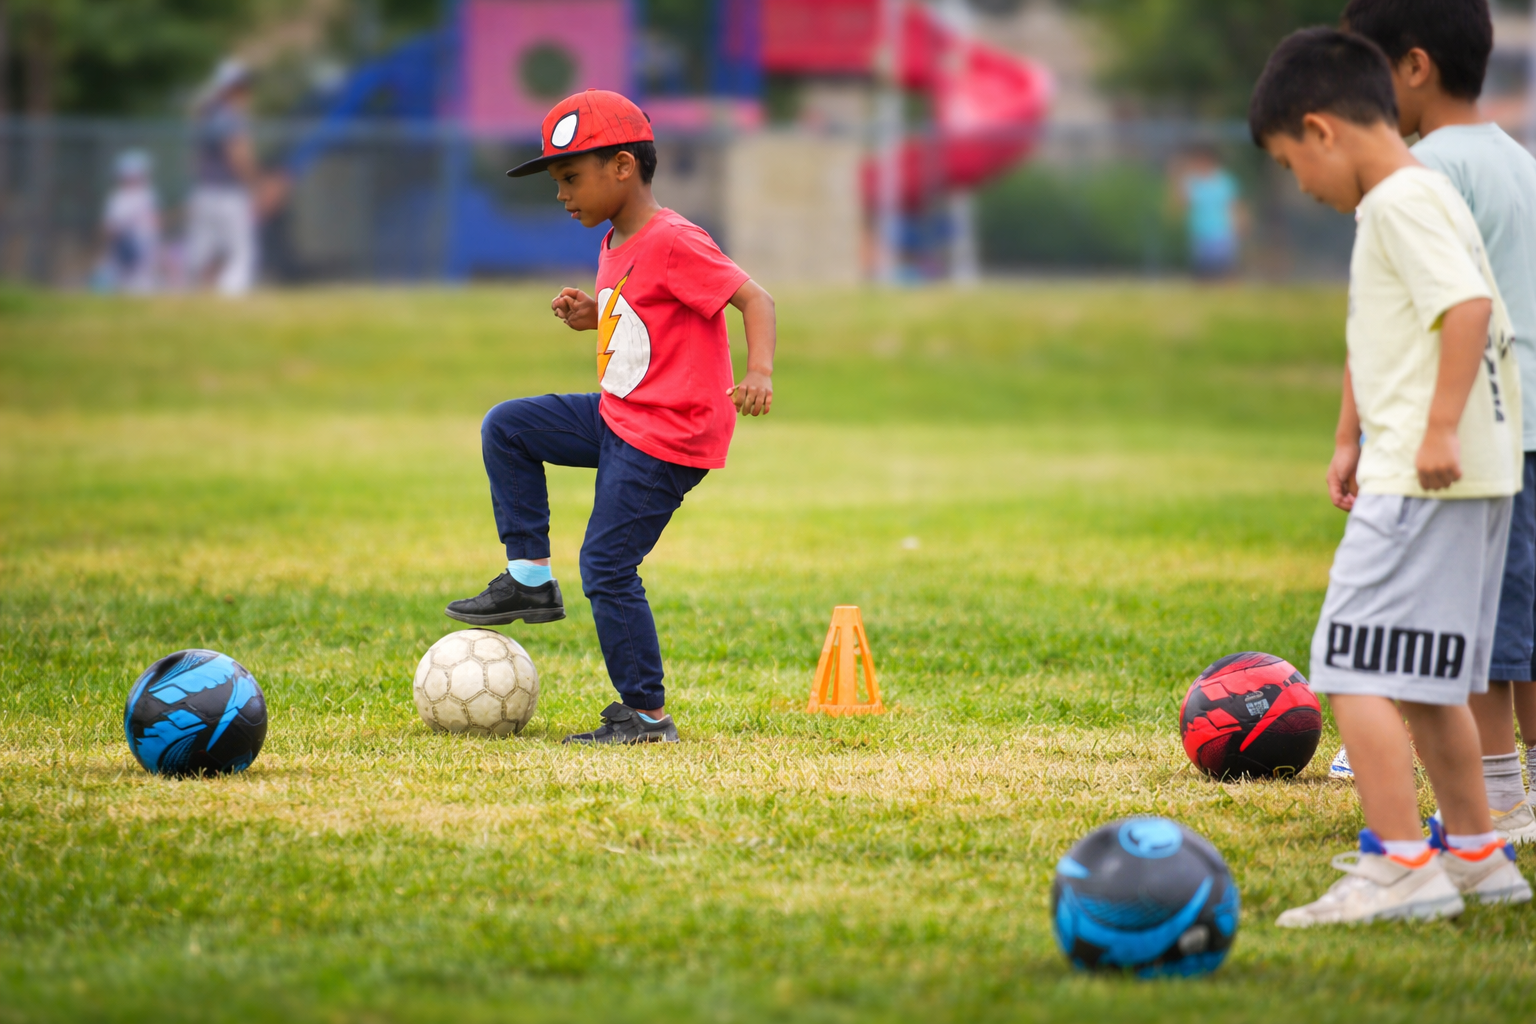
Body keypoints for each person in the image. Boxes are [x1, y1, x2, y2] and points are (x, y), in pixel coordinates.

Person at [1250, 28, 1530, 926]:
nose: (1302, 187)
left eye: (1294, 164)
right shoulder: (1427, 191)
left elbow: (1468, 308)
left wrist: (1436, 428)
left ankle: (1400, 865)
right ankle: (1478, 854)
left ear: (1322, 129)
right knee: (1426, 678)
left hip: (1421, 472)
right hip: (1474, 473)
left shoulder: (1400, 204)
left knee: (1347, 666)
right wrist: (1350, 434)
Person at [444, 89, 777, 745]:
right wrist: (589, 315)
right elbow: (646, 312)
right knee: (508, 426)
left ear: (622, 167)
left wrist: (759, 371)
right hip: (621, 414)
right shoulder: (615, 242)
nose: (562, 193)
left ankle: (647, 718)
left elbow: (754, 298)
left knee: (606, 566)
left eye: (570, 177)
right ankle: (530, 581)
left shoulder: (675, 239)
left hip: (669, 434)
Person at [1336, 0, 1536, 846]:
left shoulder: (1422, 175)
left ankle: (1499, 802)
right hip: (1522, 424)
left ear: (1413, 68)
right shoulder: (1519, 162)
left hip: (1471, 433)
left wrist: (1354, 435)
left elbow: (1401, 316)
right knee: (1521, 628)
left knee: (1483, 634)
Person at [186, 60, 267, 297]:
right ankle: (229, 305)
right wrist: (256, 184)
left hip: (203, 193)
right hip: (228, 195)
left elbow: (193, 161)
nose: (247, 91)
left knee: (202, 255)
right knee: (243, 255)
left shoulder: (205, 116)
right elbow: (238, 155)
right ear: (232, 88)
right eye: (243, 86)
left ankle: (200, 301)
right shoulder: (231, 117)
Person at [1171, 147, 1244, 279]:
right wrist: (1178, 176)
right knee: (1202, 275)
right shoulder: (1191, 181)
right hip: (1199, 235)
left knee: (1226, 273)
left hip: (1222, 234)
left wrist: (1238, 226)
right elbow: (1180, 206)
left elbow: (1234, 206)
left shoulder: (1224, 180)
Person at [98, 150, 160, 294]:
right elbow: (110, 227)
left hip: (145, 245)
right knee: (124, 279)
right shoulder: (118, 198)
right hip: (126, 245)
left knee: (143, 280)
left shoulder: (147, 194)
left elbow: (154, 221)